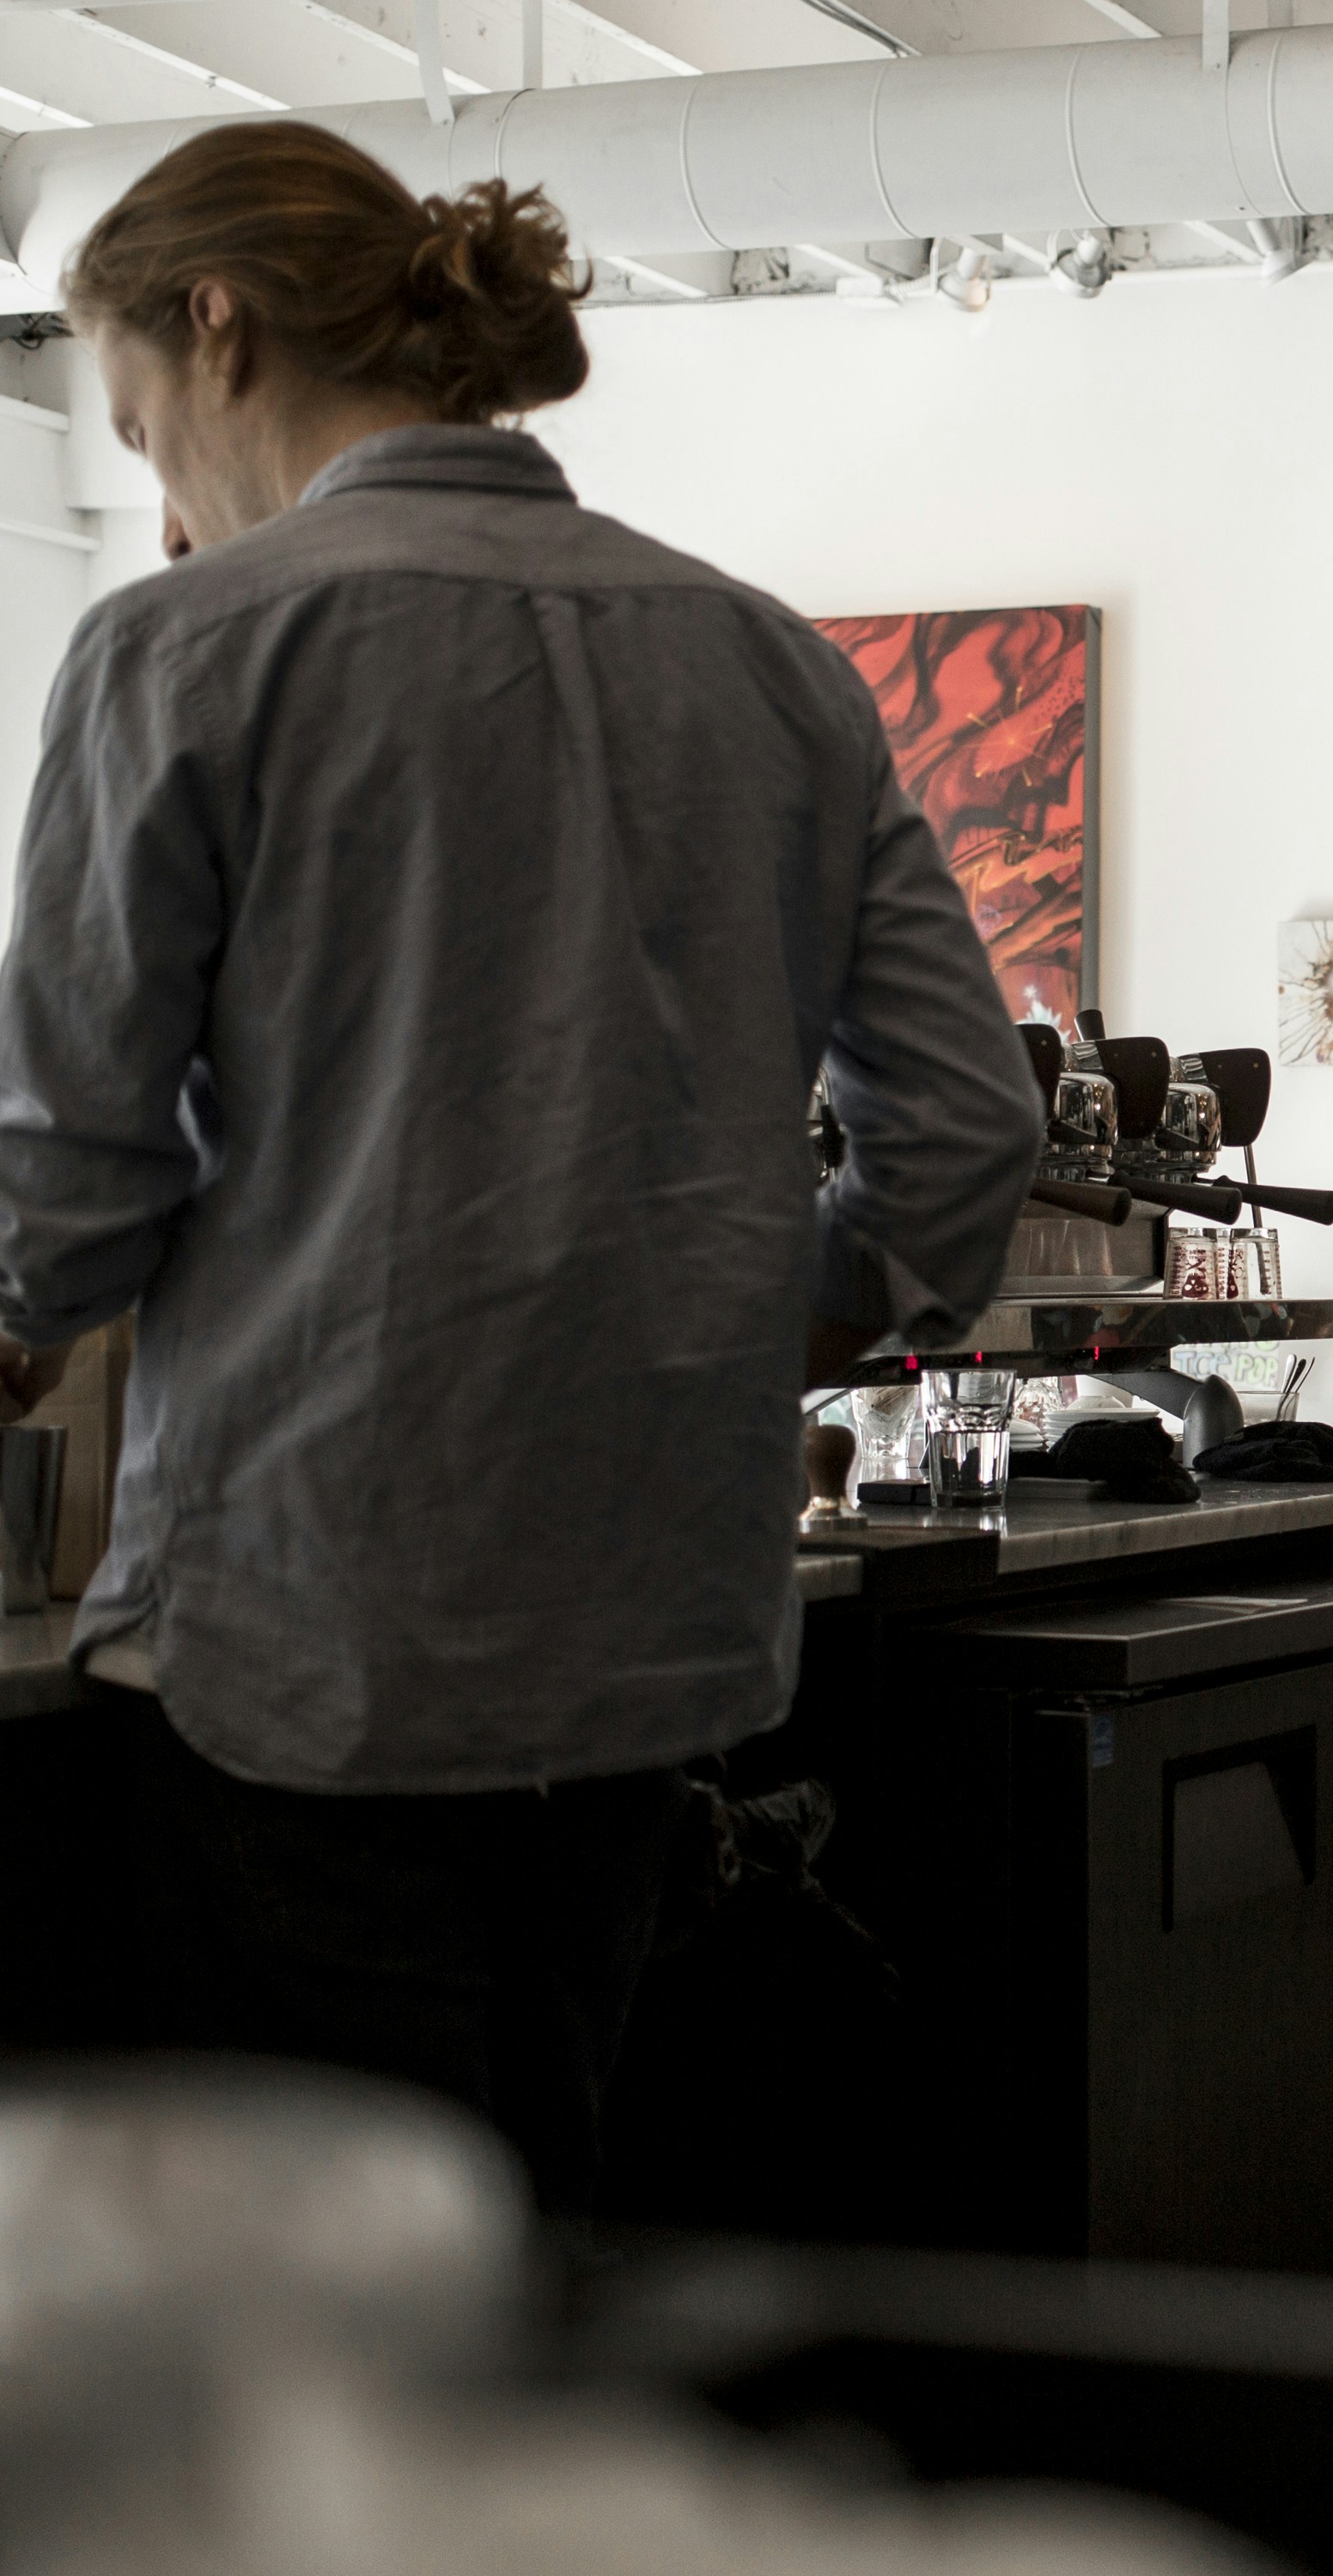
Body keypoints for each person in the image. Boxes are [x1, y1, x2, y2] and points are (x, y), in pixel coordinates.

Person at [0, 123, 1044, 2212]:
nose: (165, 504)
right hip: (646, 1636)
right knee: (543, 2221)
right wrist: (777, 1310)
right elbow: (963, 1132)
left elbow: (71, 1181)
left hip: (312, 1635)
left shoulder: (187, 649)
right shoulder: (766, 659)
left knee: (329, 2320)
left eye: (137, 433)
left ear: (217, 328)